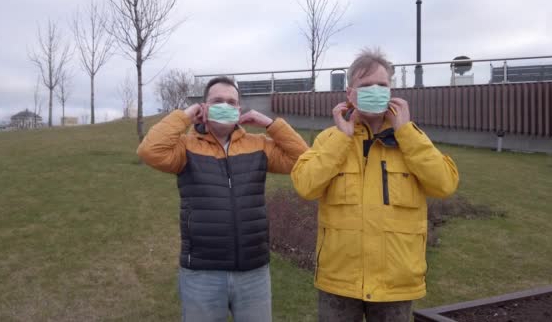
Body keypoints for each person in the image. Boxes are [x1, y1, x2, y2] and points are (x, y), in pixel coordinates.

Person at [291, 49, 459, 322]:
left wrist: (406, 134)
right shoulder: (329, 139)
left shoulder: (411, 139)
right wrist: (342, 139)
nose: (374, 90)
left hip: (395, 283)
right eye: (365, 85)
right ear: (350, 93)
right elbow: (305, 185)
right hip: (340, 282)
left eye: (381, 85)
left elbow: (444, 184)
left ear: (392, 91)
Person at [137, 76, 308, 322]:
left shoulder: (258, 145)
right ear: (204, 107)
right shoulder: (185, 148)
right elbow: (149, 151)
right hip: (201, 273)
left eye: (231, 102)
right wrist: (185, 116)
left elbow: (303, 159)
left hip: (254, 272)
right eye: (217, 101)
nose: (225, 106)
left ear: (239, 109)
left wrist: (270, 124)